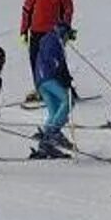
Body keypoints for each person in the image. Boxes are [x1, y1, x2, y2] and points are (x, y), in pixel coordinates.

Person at [18, 0, 74, 100]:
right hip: (36, 31)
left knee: (56, 60)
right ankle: (41, 90)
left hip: (53, 32)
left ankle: (67, 88)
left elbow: (68, 10)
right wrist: (24, 30)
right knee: (35, 60)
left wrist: (65, 28)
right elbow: (27, 9)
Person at [31, 24, 75, 158]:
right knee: (68, 101)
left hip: (41, 81)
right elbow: (54, 62)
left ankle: (45, 147)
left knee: (54, 111)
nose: (69, 40)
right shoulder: (53, 40)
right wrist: (63, 76)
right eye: (68, 36)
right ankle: (52, 133)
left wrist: (64, 76)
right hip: (48, 78)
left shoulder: (49, 40)